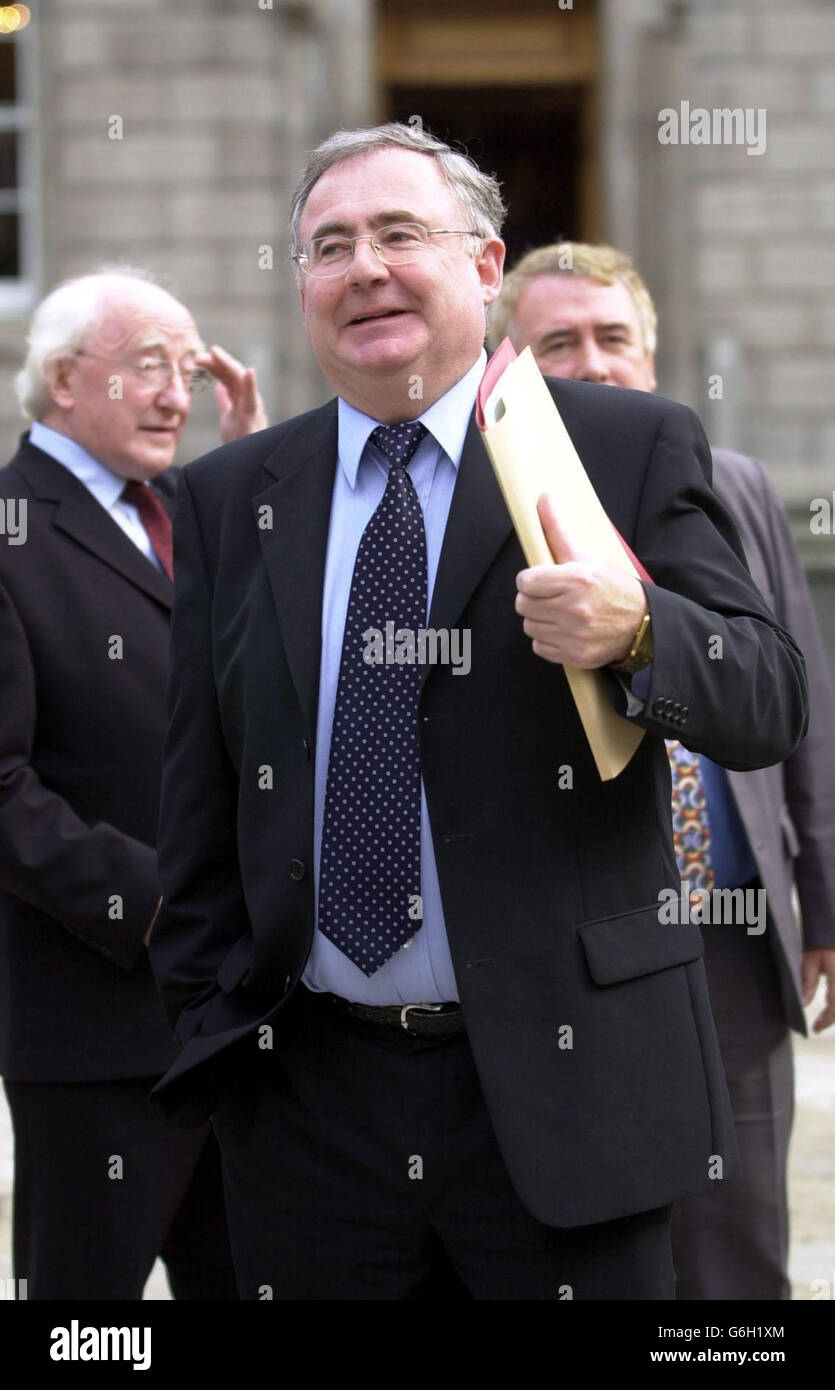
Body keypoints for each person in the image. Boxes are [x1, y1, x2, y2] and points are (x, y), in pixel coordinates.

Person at [148, 124, 809, 1301]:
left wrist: (642, 631)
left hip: (566, 1101)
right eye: (329, 246)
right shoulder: (228, 497)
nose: (365, 268)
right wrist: (215, 1025)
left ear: (485, 264)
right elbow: (200, 793)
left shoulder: (619, 444)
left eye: (401, 233)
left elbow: (769, 696)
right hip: (309, 1113)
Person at [489, 240, 835, 1300]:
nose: (592, 363)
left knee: (735, 1246)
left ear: (650, 351)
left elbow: (801, 705)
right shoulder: (486, 503)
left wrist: (822, 903)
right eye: (560, 343)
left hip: (726, 925)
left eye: (612, 338)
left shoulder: (732, 484)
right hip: (575, 928)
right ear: (515, 363)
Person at [0, 265, 268, 1299]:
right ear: (66, 382)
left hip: (233, 1018)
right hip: (97, 1027)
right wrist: (160, 901)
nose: (175, 395)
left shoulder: (185, 516)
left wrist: (250, 472)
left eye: (187, 372)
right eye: (148, 367)